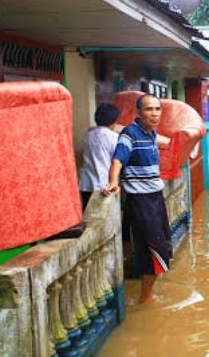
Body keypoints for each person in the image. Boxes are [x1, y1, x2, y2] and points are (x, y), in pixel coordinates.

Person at [102, 94, 171, 304]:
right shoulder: (129, 134)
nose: (155, 113)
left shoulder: (151, 134)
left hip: (155, 198)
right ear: (139, 113)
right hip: (141, 201)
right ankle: (145, 299)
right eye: (149, 109)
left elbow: (168, 143)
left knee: (161, 245)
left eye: (158, 109)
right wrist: (113, 181)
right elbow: (118, 159)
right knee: (153, 249)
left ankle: (146, 295)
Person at [78, 103, 121, 211]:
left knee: (88, 215)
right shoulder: (114, 137)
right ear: (115, 121)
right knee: (105, 217)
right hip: (105, 184)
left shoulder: (88, 135)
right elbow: (117, 161)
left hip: (86, 183)